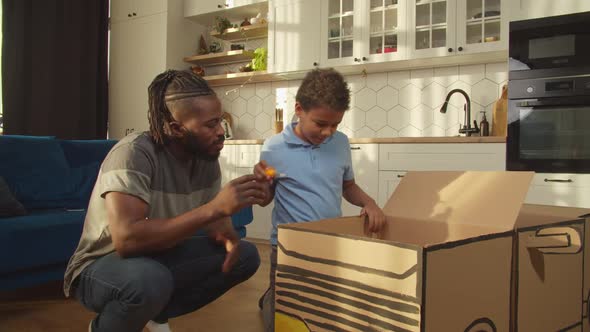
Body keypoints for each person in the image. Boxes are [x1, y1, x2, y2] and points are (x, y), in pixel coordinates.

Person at [63, 70, 268, 332]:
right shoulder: (133, 154)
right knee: (149, 280)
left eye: (220, 123)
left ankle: (156, 312)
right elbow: (127, 241)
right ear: (174, 127)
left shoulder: (205, 159)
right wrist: (214, 207)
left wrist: (230, 228)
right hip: (99, 267)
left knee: (246, 256)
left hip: (156, 256)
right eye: (210, 124)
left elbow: (216, 225)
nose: (221, 133)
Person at [253, 68, 387, 331]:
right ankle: (272, 297)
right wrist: (260, 183)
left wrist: (369, 203)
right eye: (321, 123)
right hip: (286, 246)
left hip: (329, 241)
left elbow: (348, 186)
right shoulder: (274, 147)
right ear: (299, 109)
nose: (328, 132)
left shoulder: (341, 143)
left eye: (335, 124)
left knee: (321, 310)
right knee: (283, 319)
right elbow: (265, 199)